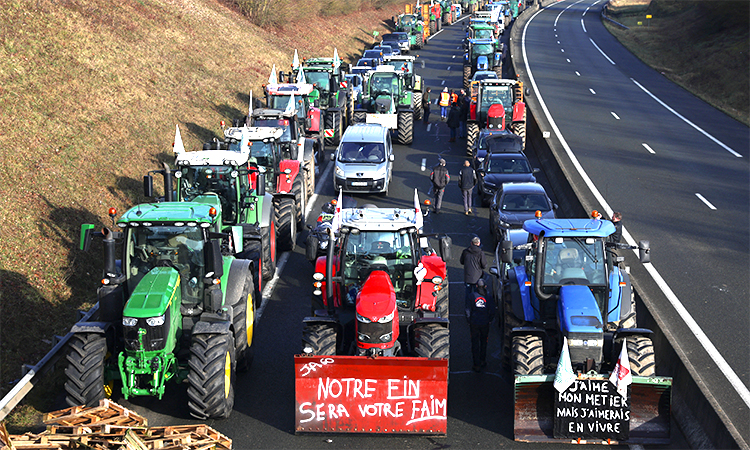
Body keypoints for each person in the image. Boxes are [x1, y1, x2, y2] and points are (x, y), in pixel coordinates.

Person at [465, 278, 496, 372]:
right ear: (485, 286)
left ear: (476, 286)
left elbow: (467, 310)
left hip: (474, 323)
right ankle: (483, 360)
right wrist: (490, 320)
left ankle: (476, 364)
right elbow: (493, 310)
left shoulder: (472, 296)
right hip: (485, 323)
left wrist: (469, 320)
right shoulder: (489, 297)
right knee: (484, 342)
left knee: (475, 343)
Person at [460, 236, 486, 301]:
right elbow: (484, 265)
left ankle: (468, 308)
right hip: (477, 277)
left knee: (468, 293)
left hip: (468, 276)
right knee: (477, 293)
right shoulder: (481, 253)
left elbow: (461, 261)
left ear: (471, 243)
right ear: (479, 243)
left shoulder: (465, 252)